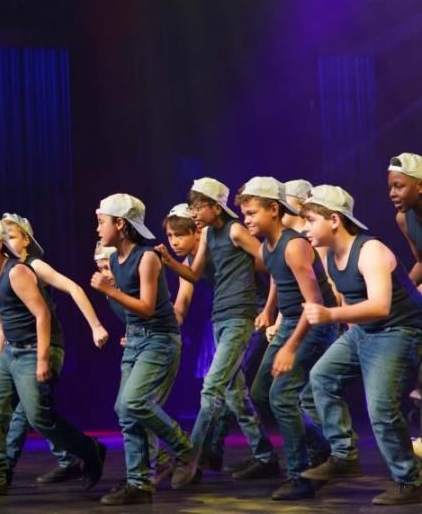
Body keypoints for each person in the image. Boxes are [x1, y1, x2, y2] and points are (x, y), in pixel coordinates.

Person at [0, 217, 105, 498]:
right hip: (12, 352)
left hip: (35, 349)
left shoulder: (18, 272)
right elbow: (1, 324)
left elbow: (42, 314)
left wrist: (41, 359)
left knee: (39, 417)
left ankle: (89, 450)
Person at [299, 185, 422, 505]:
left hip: (400, 329)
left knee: (380, 407)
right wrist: (346, 331)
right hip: (364, 331)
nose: (305, 228)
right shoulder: (328, 255)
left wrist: (329, 315)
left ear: (335, 220)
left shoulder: (371, 251)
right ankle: (344, 454)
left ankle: (409, 479)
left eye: (311, 220)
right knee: (320, 379)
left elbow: (380, 306)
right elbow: (349, 301)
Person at [157, 181, 277, 488]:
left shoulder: (235, 231)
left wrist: (267, 307)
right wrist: (168, 264)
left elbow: (270, 261)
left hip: (244, 315)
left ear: (215, 206)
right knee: (235, 393)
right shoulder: (209, 236)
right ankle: (264, 456)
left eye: (199, 207)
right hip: (220, 319)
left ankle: (191, 457)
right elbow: (188, 287)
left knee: (212, 388)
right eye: (171, 235)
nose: (196, 214)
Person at [90, 194, 198, 505]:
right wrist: (124, 321)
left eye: (102, 222)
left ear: (120, 224)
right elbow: (132, 312)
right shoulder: (113, 260)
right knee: (124, 410)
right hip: (137, 340)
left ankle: (184, 449)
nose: (98, 229)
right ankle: (139, 484)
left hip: (160, 339)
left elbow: (148, 307)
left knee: (135, 402)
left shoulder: (147, 257)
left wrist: (110, 290)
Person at [236, 176, 338, 500]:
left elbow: (315, 304)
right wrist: (268, 310)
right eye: (244, 214)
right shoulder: (268, 248)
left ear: (274, 209)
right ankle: (321, 445)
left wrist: (290, 346)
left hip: (314, 324)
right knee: (260, 391)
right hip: (292, 321)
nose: (246, 220)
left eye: (252, 213)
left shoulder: (295, 245)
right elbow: (279, 281)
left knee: (282, 395)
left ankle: (300, 476)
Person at [387, 153, 422, 288]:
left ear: (420, 186)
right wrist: (405, 290)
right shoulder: (403, 219)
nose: (392, 194)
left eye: (399, 186)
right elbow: (421, 263)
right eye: (390, 187)